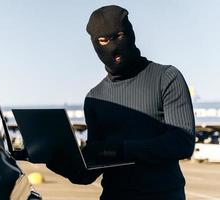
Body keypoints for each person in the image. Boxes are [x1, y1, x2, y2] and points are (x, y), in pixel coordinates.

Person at [47, 5, 195, 200]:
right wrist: (51, 157)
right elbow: (89, 172)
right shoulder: (94, 97)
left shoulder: (166, 78)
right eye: (103, 40)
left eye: (119, 36)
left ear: (131, 34)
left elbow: (182, 142)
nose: (113, 47)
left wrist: (120, 149)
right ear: (94, 44)